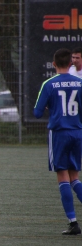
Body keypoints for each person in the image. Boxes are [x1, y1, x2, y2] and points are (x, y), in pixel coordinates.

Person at [34, 48, 82, 235]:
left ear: (54, 64)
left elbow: (37, 113)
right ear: (71, 64)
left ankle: (73, 223)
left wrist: (49, 107)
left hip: (59, 133)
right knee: (75, 178)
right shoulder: (80, 83)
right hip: (78, 132)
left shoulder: (48, 84)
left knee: (63, 177)